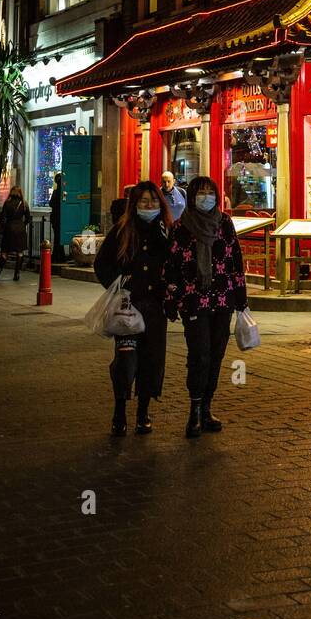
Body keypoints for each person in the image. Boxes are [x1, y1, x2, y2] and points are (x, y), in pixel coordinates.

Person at [163, 175, 248, 439]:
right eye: (201, 193)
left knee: (216, 355)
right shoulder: (180, 227)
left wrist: (241, 299)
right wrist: (171, 299)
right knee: (199, 355)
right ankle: (194, 409)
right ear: (192, 197)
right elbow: (171, 267)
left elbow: (235, 260)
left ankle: (207, 407)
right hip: (193, 302)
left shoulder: (224, 223)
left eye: (210, 192)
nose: (206, 197)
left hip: (222, 300)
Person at [94, 181, 172, 437]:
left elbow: (175, 265)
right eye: (144, 201)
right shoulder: (123, 230)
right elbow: (102, 264)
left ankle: (143, 412)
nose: (149, 206)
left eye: (153, 201)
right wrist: (119, 284)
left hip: (155, 308)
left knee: (151, 361)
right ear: (134, 203)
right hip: (128, 308)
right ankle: (119, 410)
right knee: (126, 360)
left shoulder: (166, 231)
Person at [0, 186, 31, 282]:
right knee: (20, 252)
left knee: (5, 252)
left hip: (9, 229)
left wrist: (3, 227)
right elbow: (28, 218)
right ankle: (17, 274)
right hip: (20, 230)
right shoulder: (24, 204)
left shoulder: (7, 203)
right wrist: (23, 224)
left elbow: (3, 218)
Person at [49, 173, 64, 264]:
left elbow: (51, 203)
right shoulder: (63, 192)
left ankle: (57, 255)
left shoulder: (56, 192)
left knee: (57, 237)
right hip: (60, 217)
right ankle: (59, 255)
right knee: (59, 237)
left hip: (56, 217)